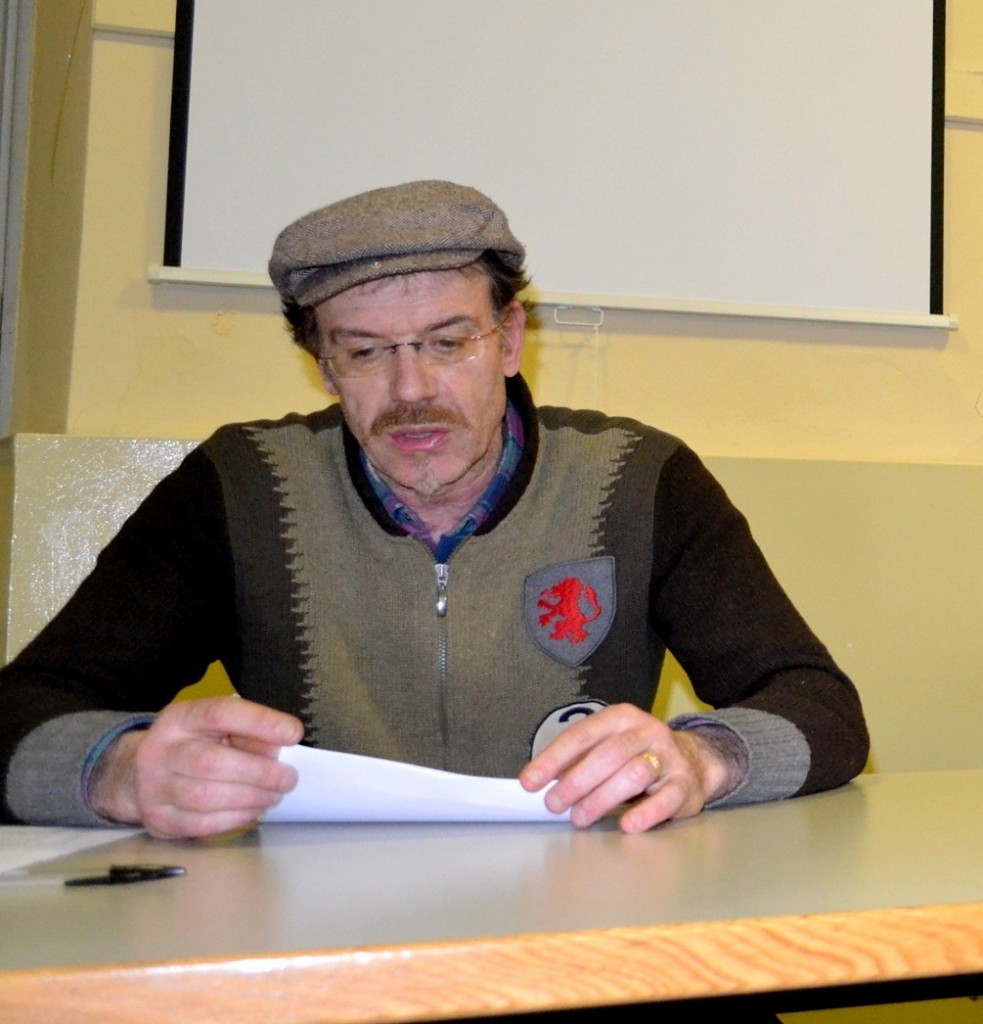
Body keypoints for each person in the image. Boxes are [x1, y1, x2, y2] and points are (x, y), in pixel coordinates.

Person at [0, 180, 868, 839]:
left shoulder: (642, 479)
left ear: (510, 340)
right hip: (322, 938)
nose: (411, 390)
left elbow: (819, 707)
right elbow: (23, 710)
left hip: (587, 923)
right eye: (365, 352)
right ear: (322, 364)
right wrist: (115, 771)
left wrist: (701, 757)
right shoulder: (234, 490)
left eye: (448, 343)